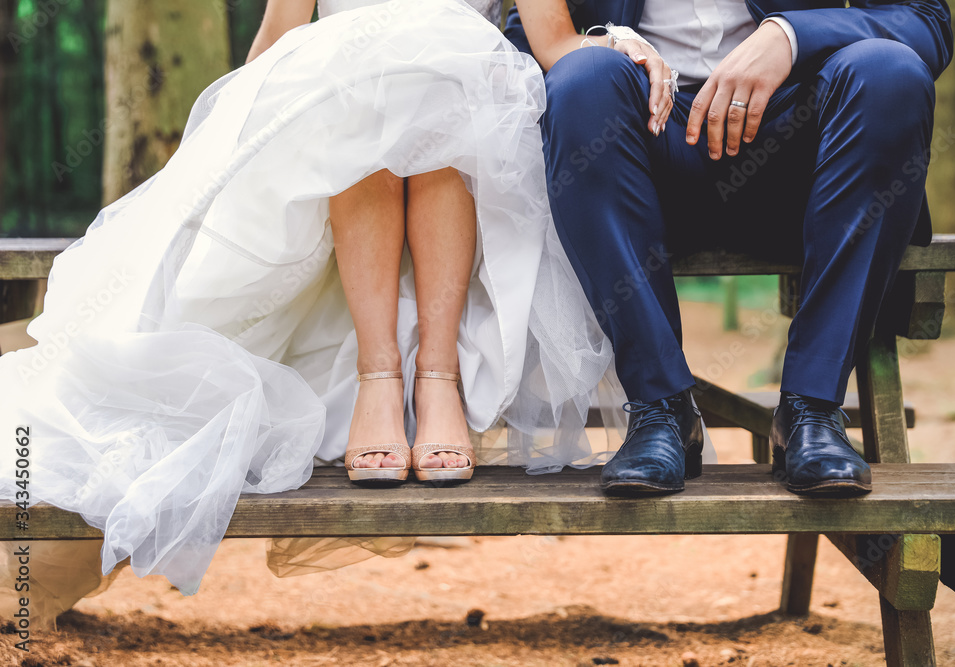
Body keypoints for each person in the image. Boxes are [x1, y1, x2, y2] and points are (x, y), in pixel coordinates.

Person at [0, 0, 628, 628]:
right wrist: (217, 149)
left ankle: (439, 378)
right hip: (333, 120)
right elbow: (279, 36)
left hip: (471, 125)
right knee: (362, 98)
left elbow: (554, 40)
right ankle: (378, 376)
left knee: (443, 90)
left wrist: (623, 46)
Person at [505, 0, 952, 496]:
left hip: (802, 155)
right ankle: (662, 409)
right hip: (640, 153)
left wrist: (790, 36)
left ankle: (812, 408)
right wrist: (610, 46)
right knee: (580, 79)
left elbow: (924, 20)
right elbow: (531, 40)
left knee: (891, 72)